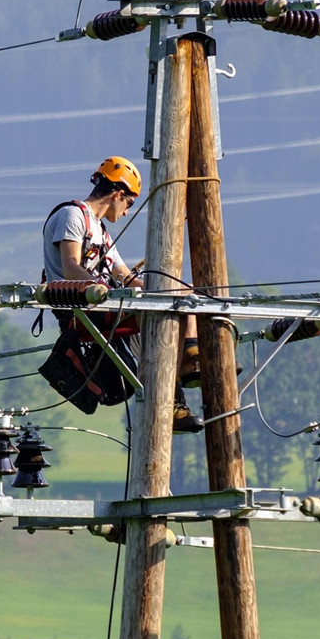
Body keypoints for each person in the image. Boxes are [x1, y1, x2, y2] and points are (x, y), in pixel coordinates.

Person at [42, 156, 203, 433]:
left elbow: (125, 275)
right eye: (128, 203)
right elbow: (70, 268)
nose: (126, 212)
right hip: (79, 310)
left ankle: (189, 358)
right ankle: (175, 393)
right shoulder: (72, 215)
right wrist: (103, 289)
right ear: (118, 194)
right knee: (152, 316)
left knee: (173, 302)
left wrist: (172, 291)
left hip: (104, 306)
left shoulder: (102, 234)